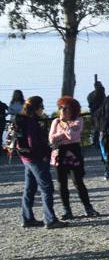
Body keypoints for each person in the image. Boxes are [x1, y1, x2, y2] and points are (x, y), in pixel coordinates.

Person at [16, 96, 67, 229]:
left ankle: (27, 218)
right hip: (36, 159)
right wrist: (44, 155)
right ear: (37, 108)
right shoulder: (32, 122)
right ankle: (50, 219)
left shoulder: (23, 120)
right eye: (42, 106)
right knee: (46, 188)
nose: (43, 109)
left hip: (26, 158)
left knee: (29, 188)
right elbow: (33, 143)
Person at [49, 97, 99, 219]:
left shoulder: (78, 120)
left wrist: (64, 126)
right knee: (62, 183)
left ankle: (88, 207)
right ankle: (67, 210)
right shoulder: (55, 122)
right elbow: (51, 139)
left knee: (78, 182)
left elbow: (72, 136)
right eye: (61, 108)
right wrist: (63, 133)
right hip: (59, 154)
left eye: (65, 108)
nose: (63, 111)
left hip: (73, 154)